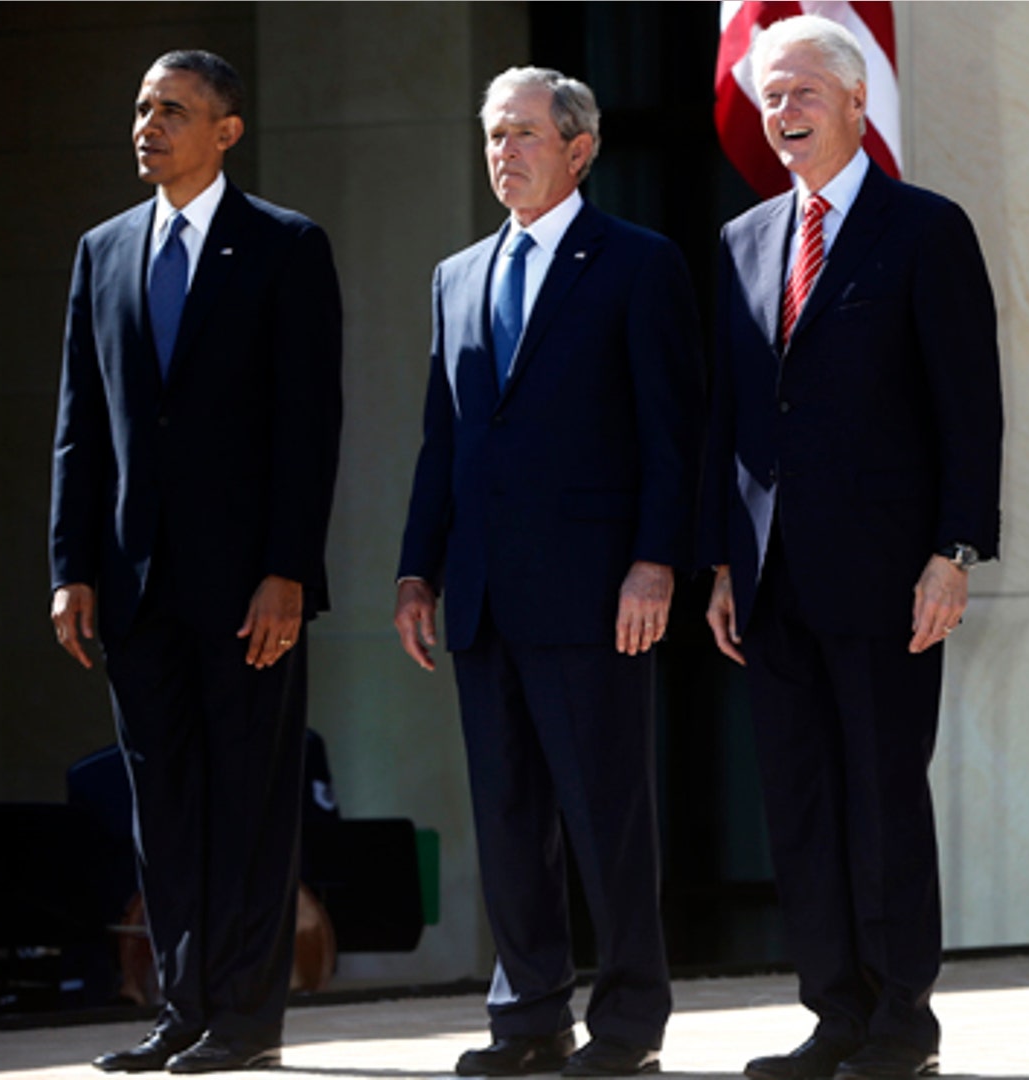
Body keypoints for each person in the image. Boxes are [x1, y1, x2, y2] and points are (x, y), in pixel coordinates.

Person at [700, 15, 1003, 1080]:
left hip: (888, 575)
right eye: (770, 97)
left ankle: (900, 1025)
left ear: (856, 101)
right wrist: (724, 563)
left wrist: (953, 550)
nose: (783, 114)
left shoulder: (925, 229)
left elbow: (970, 408)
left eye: (803, 95)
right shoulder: (742, 242)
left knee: (882, 799)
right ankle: (833, 1013)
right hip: (772, 580)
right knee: (801, 804)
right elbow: (734, 417)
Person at [393, 66, 701, 1078]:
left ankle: (626, 1026)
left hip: (595, 594)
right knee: (510, 819)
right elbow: (445, 441)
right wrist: (415, 573)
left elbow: (670, 433)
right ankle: (525, 1019)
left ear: (579, 149)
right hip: (482, 594)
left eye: (524, 133)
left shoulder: (637, 264)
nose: (504, 152)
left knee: (606, 815)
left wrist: (655, 563)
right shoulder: (456, 275)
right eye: (492, 134)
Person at [49, 49, 343, 1073]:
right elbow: (81, 427)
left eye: (173, 109)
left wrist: (288, 570)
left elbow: (310, 426)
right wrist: (70, 566)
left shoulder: (285, 248)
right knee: (163, 806)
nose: (149, 124)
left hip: (248, 585)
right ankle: (182, 1013)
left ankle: (247, 1022)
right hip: (133, 586)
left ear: (227, 131)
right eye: (140, 108)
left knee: (250, 804)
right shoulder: (103, 250)